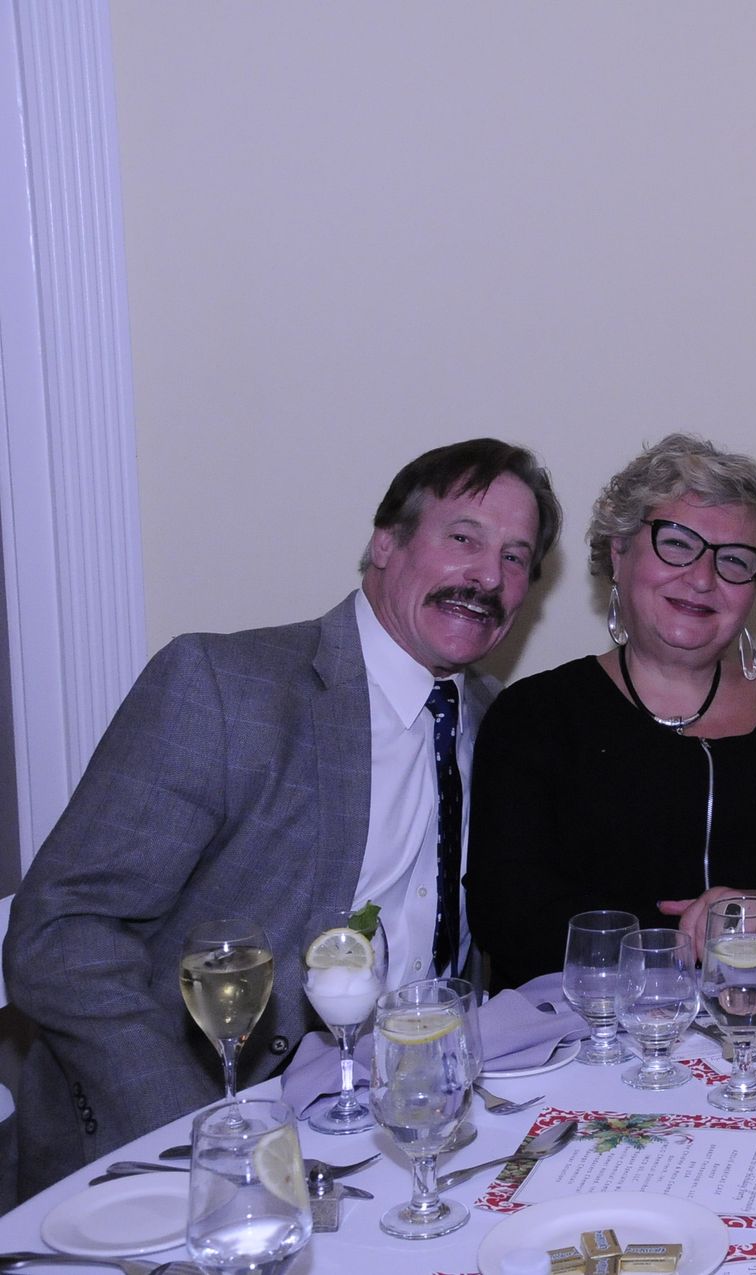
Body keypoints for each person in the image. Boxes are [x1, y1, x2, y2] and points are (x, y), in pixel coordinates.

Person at [4, 438, 561, 1194]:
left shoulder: (501, 725)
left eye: (517, 558)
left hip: (410, 1139)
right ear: (386, 542)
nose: (487, 577)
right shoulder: (227, 690)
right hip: (196, 1129)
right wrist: (200, 1132)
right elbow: (60, 933)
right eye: (463, 537)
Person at [466, 434, 756, 989]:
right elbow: (511, 920)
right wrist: (705, 936)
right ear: (619, 553)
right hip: (599, 1053)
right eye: (678, 543)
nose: (703, 578)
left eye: (735, 560)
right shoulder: (535, 718)